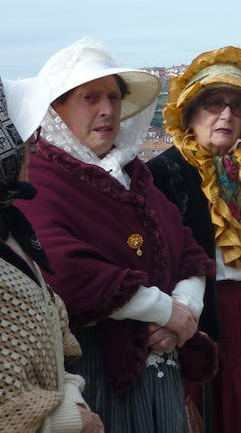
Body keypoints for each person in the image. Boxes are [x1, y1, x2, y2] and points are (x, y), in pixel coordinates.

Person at [16, 38, 218, 432]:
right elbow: (66, 271)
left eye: (112, 97)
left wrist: (188, 310)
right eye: (90, 98)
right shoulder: (40, 179)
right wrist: (167, 311)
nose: (107, 109)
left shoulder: (133, 177)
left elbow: (188, 247)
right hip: (97, 374)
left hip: (163, 370)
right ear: (56, 109)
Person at [147, 46, 241, 433]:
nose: (226, 115)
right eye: (214, 103)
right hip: (204, 319)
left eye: (237, 107)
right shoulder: (162, 174)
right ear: (191, 111)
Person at [0, 75, 104, 432]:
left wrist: (71, 397)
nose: (34, 149)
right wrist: (70, 419)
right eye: (25, 140)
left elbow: (57, 339)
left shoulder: (13, 229)